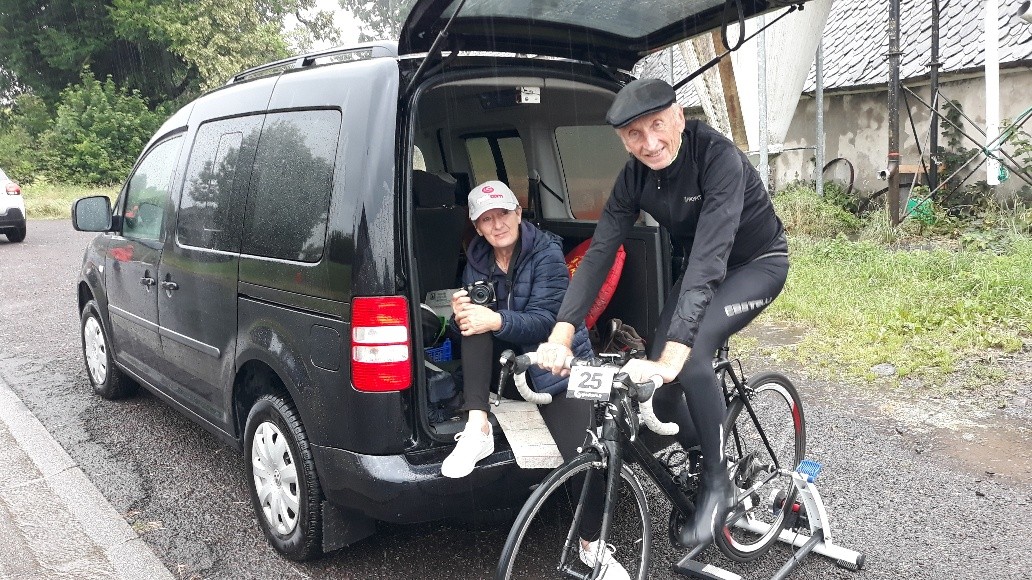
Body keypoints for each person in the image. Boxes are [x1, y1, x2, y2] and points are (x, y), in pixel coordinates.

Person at [536, 78, 790, 548]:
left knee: (688, 358)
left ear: (678, 116)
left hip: (756, 265)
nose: (650, 143)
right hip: (701, 266)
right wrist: (562, 332)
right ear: (622, 140)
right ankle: (704, 452)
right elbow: (598, 254)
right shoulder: (634, 175)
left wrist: (676, 351)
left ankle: (720, 484)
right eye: (635, 134)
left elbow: (712, 260)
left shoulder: (718, 158)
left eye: (658, 125)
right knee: (664, 388)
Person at [441, 181, 628, 579]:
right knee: (471, 324)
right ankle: (478, 428)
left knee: (588, 453)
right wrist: (461, 317)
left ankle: (592, 547)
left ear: (518, 213)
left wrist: (495, 320)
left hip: (559, 369)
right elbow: (474, 330)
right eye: (486, 220)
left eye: (503, 214)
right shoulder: (476, 258)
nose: (497, 225)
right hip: (512, 369)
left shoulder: (546, 252)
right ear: (476, 227)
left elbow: (550, 320)